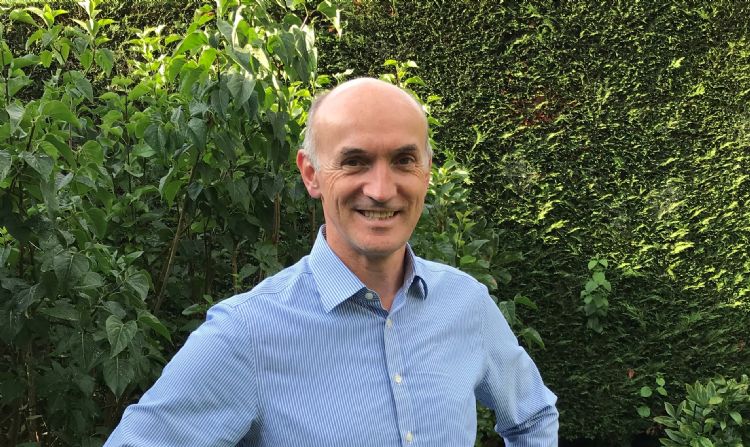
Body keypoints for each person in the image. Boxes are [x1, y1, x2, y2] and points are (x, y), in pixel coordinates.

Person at [105, 78, 558, 446]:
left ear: (427, 171)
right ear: (311, 174)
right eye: (355, 162)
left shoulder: (465, 303)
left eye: (404, 160)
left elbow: (533, 416)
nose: (381, 190)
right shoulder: (247, 334)